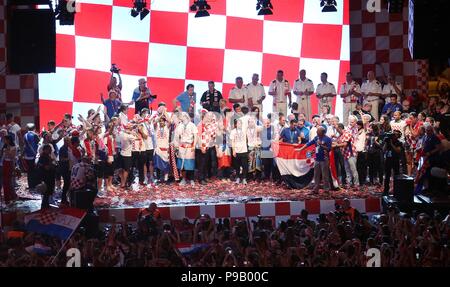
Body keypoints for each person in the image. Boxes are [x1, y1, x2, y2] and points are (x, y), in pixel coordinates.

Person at [297, 126, 332, 193]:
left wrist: (321, 145)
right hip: (317, 159)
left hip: (324, 159)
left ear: (322, 132)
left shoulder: (328, 139)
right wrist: (300, 149)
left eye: (318, 131)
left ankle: (326, 190)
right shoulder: (316, 138)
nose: (316, 132)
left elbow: (329, 149)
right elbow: (308, 144)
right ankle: (315, 189)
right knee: (316, 175)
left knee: (325, 175)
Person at [174, 112, 197, 186]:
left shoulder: (192, 125)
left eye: (182, 116)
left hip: (189, 146)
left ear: (186, 116)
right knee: (182, 164)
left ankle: (191, 179)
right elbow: (177, 137)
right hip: (182, 147)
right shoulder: (180, 126)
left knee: (190, 163)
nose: (181, 117)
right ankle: (183, 179)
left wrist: (194, 145)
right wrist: (177, 147)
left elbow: (195, 136)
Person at [334, 123, 359, 188]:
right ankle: (349, 183)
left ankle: (356, 183)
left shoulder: (347, 133)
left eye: (337, 129)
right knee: (347, 170)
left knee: (353, 170)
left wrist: (336, 145)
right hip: (345, 155)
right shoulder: (340, 135)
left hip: (351, 154)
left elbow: (345, 144)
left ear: (340, 128)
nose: (336, 131)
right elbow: (337, 142)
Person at [197, 112, 218, 184]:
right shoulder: (200, 125)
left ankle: (205, 177)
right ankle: (201, 178)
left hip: (209, 146)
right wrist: (201, 146)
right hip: (203, 146)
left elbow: (212, 135)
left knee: (206, 163)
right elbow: (199, 137)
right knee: (202, 163)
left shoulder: (209, 125)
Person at [383, 130, 403, 195]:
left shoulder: (399, 142)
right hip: (388, 160)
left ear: (398, 136)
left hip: (395, 160)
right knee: (387, 176)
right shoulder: (388, 141)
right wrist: (386, 143)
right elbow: (383, 150)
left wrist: (391, 144)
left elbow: (398, 151)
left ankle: (397, 190)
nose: (394, 136)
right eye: (393, 134)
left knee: (396, 175)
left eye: (395, 134)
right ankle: (386, 190)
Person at [37, 144, 57, 208]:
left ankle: (46, 204)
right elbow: (46, 167)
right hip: (46, 176)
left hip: (49, 176)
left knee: (48, 191)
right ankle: (44, 205)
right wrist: (52, 164)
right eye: (49, 149)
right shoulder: (43, 157)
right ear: (45, 150)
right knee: (46, 191)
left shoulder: (47, 156)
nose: (50, 150)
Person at [230, 119, 248, 185]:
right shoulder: (233, 132)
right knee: (237, 166)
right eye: (238, 123)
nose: (239, 124)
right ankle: (237, 178)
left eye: (240, 123)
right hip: (236, 151)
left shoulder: (244, 130)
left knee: (244, 166)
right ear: (235, 124)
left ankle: (244, 178)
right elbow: (232, 142)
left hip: (244, 150)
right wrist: (233, 150)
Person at [119, 124, 137, 189]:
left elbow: (122, 131)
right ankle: (123, 183)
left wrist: (128, 131)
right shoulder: (130, 136)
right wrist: (132, 133)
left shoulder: (121, 133)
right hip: (127, 155)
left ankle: (122, 182)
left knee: (122, 169)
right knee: (126, 170)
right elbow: (137, 137)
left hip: (122, 153)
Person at [153, 117, 170, 183]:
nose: (161, 122)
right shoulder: (156, 128)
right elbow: (154, 123)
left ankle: (166, 178)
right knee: (158, 164)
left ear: (165, 122)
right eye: (160, 121)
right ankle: (158, 178)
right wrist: (158, 117)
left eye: (162, 121)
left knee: (166, 164)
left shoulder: (167, 128)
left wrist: (164, 112)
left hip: (165, 148)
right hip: (158, 149)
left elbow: (170, 121)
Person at [1, 135, 17, 203]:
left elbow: (12, 157)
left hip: (9, 163)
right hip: (3, 163)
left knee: (9, 181)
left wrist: (7, 150)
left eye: (5, 139)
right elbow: (2, 155)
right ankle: (7, 197)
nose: (4, 141)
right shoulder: (4, 146)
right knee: (4, 181)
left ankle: (12, 196)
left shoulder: (13, 147)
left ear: (8, 140)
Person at [23, 123, 39, 189]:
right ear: (34, 128)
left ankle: (30, 185)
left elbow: (25, 145)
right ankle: (34, 185)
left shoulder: (25, 135)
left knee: (29, 171)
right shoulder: (35, 135)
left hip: (27, 155)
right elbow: (38, 144)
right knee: (35, 171)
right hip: (34, 155)